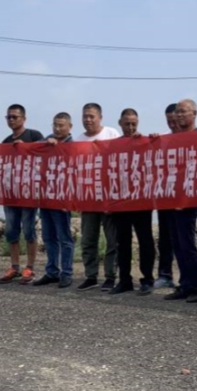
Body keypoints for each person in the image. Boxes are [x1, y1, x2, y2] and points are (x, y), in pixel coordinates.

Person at [163, 99, 197, 303]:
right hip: (172, 198)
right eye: (177, 112)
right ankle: (185, 284)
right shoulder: (173, 138)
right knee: (177, 244)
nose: (179, 115)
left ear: (194, 114)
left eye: (183, 111)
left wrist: (195, 198)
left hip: (189, 200)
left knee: (187, 244)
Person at [109, 109, 156, 296]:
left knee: (146, 241)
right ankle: (125, 280)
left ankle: (147, 279)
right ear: (120, 123)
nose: (130, 127)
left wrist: (153, 140)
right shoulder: (114, 145)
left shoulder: (145, 142)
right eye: (127, 123)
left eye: (134, 124)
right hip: (121, 201)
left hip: (141, 201)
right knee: (122, 242)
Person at [75, 102, 121, 292]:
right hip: (88, 198)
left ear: (100, 117)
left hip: (108, 197)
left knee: (112, 240)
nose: (88, 120)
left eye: (91, 116)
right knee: (88, 239)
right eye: (85, 116)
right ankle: (91, 276)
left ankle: (110, 276)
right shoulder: (78, 140)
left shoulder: (111, 134)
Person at [0, 104, 44, 285]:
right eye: (8, 117)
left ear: (24, 118)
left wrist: (27, 148)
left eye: (15, 117)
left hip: (29, 194)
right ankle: (14, 266)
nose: (11, 120)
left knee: (29, 230)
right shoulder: (5, 142)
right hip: (10, 194)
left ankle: (30, 267)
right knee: (11, 231)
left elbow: (46, 153)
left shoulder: (34, 135)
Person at [34, 112, 76, 289]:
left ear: (69, 127)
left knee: (64, 237)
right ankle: (52, 271)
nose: (57, 129)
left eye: (61, 125)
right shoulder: (47, 141)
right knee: (48, 237)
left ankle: (66, 273)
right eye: (55, 125)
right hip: (46, 197)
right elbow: (31, 149)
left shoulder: (73, 145)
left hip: (62, 199)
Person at [155, 103, 179, 289]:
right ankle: (164, 274)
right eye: (168, 121)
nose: (172, 124)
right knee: (165, 238)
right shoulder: (163, 139)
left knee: (184, 240)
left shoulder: (195, 138)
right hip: (165, 196)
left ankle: (188, 279)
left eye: (174, 120)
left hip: (186, 199)